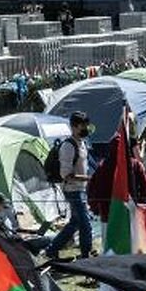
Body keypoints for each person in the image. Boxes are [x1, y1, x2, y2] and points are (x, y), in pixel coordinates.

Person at [44, 112, 93, 262]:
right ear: (73, 127)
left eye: (86, 125)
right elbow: (66, 174)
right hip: (72, 190)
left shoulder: (83, 143)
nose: (85, 128)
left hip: (81, 189)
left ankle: (51, 250)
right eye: (81, 125)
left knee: (75, 223)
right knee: (86, 224)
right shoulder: (68, 146)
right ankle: (86, 256)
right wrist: (89, 178)